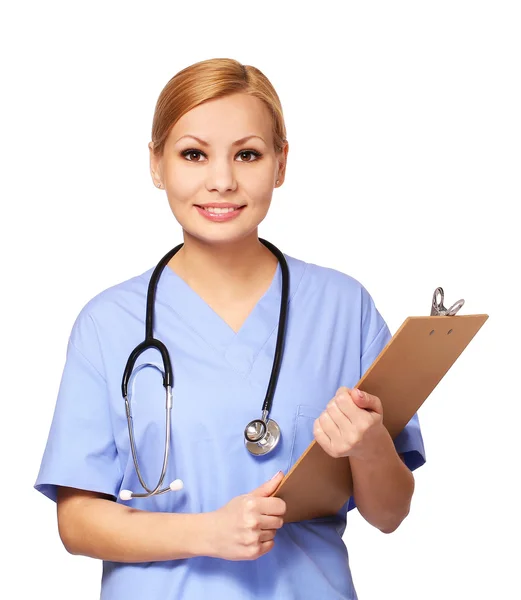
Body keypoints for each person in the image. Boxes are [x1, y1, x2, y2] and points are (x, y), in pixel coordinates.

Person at [34, 57, 426, 599]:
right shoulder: (107, 324)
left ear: (281, 163)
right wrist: (208, 532)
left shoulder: (344, 308)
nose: (222, 181)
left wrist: (370, 448)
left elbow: (390, 514)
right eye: (193, 154)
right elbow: (76, 524)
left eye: (248, 154)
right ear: (156, 164)